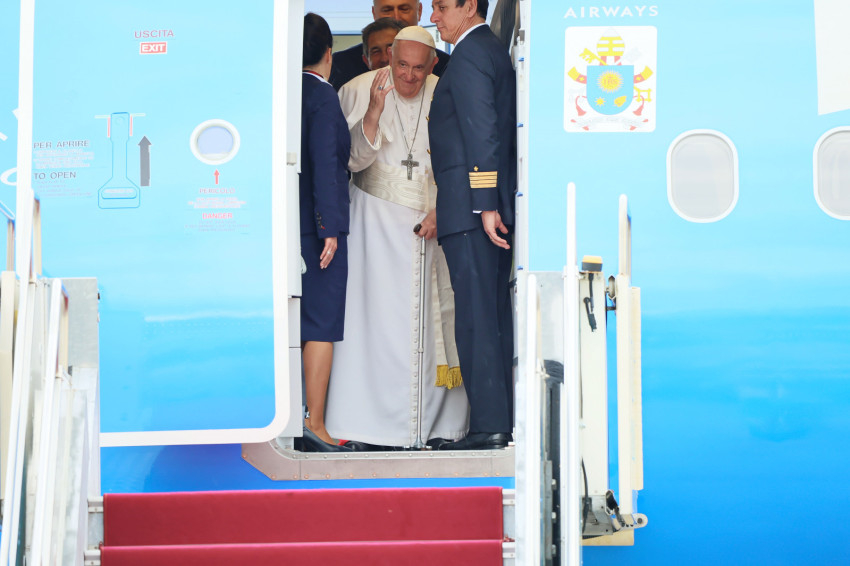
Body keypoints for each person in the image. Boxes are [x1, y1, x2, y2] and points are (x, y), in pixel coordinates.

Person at [325, 26, 469, 449]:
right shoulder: (357, 89)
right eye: (400, 65)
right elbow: (348, 162)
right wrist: (373, 113)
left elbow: (464, 159)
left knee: (433, 326)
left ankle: (437, 427)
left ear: (433, 65)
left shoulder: (448, 92)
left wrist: (446, 208)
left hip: (433, 224)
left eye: (417, 69)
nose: (408, 76)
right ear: (389, 58)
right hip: (374, 230)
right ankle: (370, 428)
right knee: (375, 325)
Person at [427, 0, 517, 450]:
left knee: (477, 320)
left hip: (471, 211)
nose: (434, 17)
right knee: (489, 317)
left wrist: (483, 203)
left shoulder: (469, 54)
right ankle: (496, 421)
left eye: (442, 6)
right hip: (478, 209)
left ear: (468, 6)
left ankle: (489, 427)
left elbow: (483, 131)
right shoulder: (488, 49)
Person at [298, 13, 352, 452]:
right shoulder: (321, 94)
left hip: (285, 226)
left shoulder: (279, 92)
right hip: (316, 232)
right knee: (321, 323)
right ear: (329, 54)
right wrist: (328, 227)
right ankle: (314, 422)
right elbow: (325, 164)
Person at [329, 0, 451, 91]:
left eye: (404, 9)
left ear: (419, 11)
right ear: (374, 13)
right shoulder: (343, 64)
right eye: (387, 10)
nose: (396, 17)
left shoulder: (445, 65)